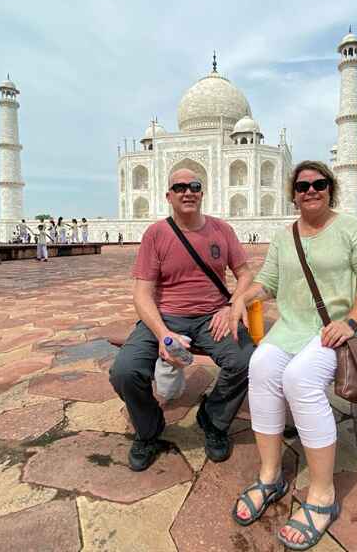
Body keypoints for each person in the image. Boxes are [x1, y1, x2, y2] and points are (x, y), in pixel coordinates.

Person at [230, 160, 357, 550]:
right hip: (293, 328)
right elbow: (268, 282)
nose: (311, 190)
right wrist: (240, 299)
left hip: (335, 330)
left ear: (331, 187)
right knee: (262, 366)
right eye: (303, 186)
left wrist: (350, 322)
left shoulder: (351, 228)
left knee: (299, 379)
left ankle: (322, 495)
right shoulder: (285, 237)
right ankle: (270, 476)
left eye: (319, 183)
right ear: (294, 194)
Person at [109, 168, 255, 472]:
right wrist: (163, 334)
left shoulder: (222, 230)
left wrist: (231, 305)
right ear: (168, 195)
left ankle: (213, 420)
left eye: (195, 186)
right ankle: (149, 429)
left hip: (211, 316)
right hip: (164, 317)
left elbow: (244, 274)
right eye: (179, 187)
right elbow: (142, 294)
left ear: (203, 192)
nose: (188, 192)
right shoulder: (156, 234)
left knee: (246, 360)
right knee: (124, 371)